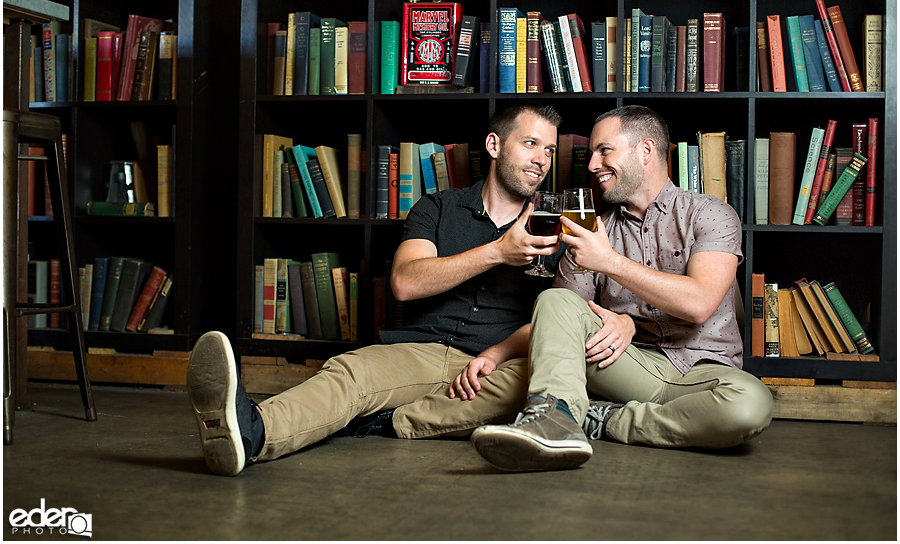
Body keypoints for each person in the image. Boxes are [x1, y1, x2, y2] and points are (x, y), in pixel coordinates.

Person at [187, 101, 565, 476]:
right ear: (495, 145)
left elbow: (560, 318)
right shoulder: (438, 207)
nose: (541, 159)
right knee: (353, 372)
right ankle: (252, 433)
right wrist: (497, 252)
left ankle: (387, 419)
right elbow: (404, 282)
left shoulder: (556, 228)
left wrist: (497, 355)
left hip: (500, 363)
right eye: (530, 144)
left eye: (549, 150)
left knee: (535, 391)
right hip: (424, 351)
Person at [469, 105, 775, 472]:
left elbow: (699, 303)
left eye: (604, 150)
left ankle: (600, 421)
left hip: (702, 372)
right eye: (593, 153)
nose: (593, 164)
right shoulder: (593, 231)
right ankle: (552, 418)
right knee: (555, 296)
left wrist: (609, 262)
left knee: (749, 405)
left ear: (645, 150)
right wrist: (496, 353)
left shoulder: (710, 213)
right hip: (627, 366)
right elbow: (560, 317)